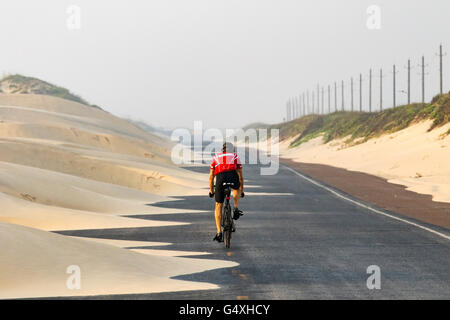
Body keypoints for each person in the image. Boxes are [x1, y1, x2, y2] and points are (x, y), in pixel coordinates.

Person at [209, 142, 244, 242]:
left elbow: (211, 177)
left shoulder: (216, 157)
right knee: (237, 188)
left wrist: (211, 191)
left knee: (218, 205)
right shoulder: (235, 156)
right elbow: (241, 177)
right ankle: (236, 208)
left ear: (222, 150)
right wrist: (241, 191)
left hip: (220, 178)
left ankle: (219, 232)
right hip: (232, 176)